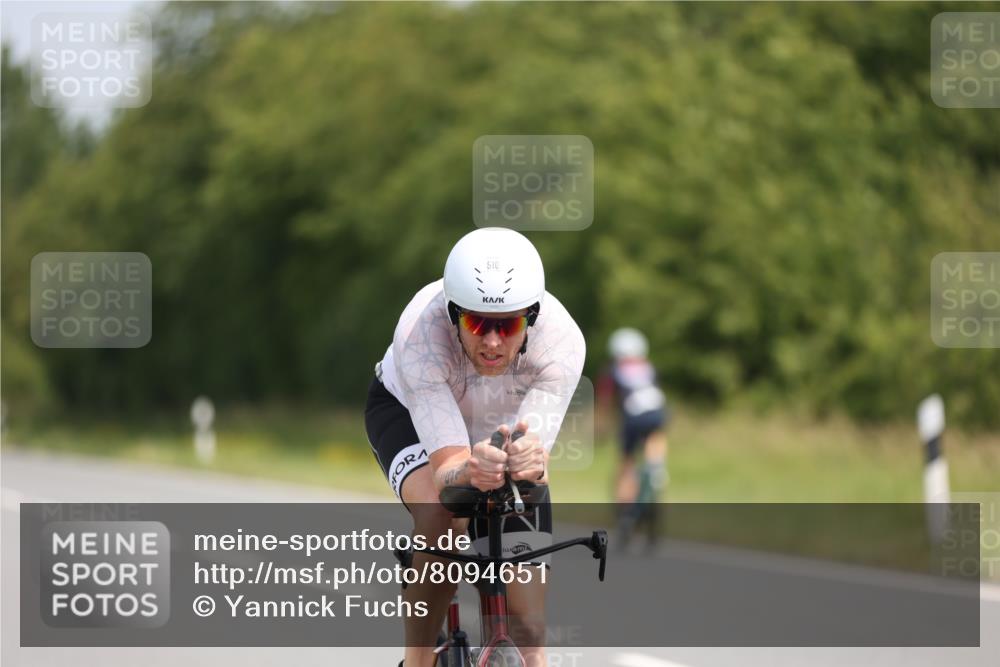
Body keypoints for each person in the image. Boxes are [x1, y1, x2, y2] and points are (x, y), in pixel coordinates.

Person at [365, 227, 585, 667]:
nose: (491, 341)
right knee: (442, 513)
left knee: (528, 629)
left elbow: (532, 456)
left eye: (508, 326)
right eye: (476, 322)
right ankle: (418, 659)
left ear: (533, 317)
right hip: (406, 412)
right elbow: (449, 470)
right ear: (452, 313)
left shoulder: (562, 343)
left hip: (497, 424)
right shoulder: (419, 336)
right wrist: (467, 471)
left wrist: (529, 459)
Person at [598, 327, 669, 547]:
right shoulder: (650, 368)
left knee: (626, 464)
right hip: (657, 414)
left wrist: (600, 429)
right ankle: (655, 466)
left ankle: (625, 514)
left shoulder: (612, 371)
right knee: (655, 437)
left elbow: (606, 405)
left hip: (632, 418)